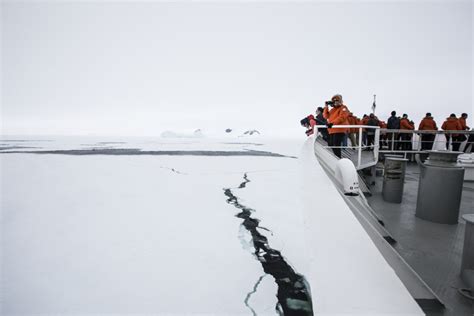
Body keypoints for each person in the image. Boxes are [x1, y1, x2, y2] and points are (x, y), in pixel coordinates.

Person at [323, 94, 350, 158]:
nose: (335, 102)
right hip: (332, 130)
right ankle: (335, 158)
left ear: (340, 101)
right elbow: (325, 116)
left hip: (339, 130)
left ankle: (338, 159)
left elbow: (342, 117)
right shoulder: (332, 110)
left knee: (336, 145)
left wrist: (332, 123)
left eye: (337, 100)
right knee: (331, 144)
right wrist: (326, 107)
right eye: (334, 101)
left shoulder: (343, 108)